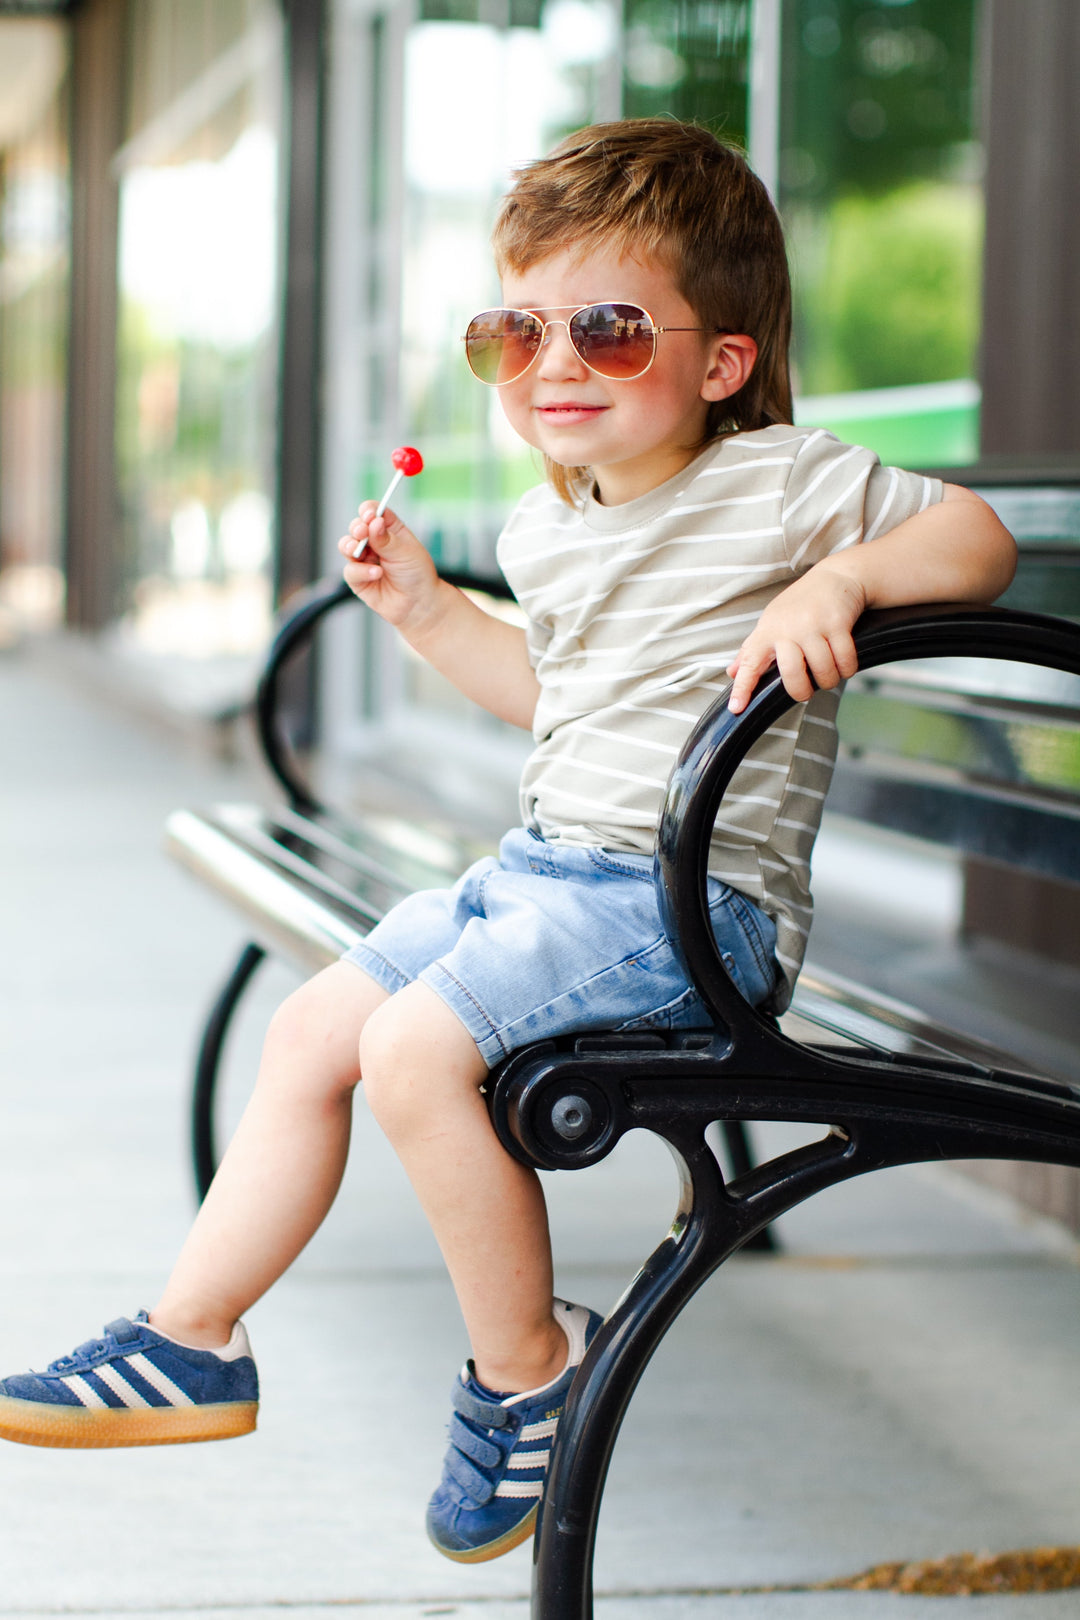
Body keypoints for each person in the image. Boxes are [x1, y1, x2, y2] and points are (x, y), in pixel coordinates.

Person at [0, 119, 1016, 1563]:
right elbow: (550, 703)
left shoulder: (785, 483)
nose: (551, 366)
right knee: (313, 1035)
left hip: (694, 909)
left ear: (721, 362)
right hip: (547, 878)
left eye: (605, 331)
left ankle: (529, 1366)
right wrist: (424, 611)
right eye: (512, 332)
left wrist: (842, 582)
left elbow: (976, 541)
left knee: (418, 1051)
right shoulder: (559, 528)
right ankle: (193, 1337)